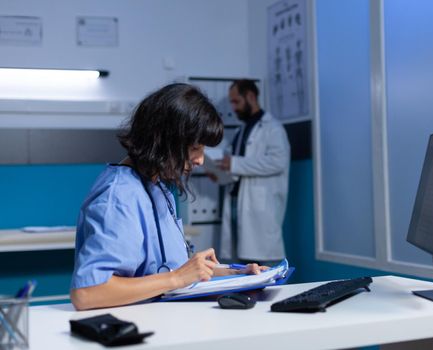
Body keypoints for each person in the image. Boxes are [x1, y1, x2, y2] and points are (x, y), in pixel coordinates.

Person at [70, 83, 264, 311]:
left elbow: (165, 269)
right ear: (163, 140)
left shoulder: (157, 186)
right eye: (195, 148)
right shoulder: (119, 196)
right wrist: (178, 278)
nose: (200, 160)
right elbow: (87, 293)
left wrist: (237, 273)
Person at [216, 79, 290, 267]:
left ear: (250, 96)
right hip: (237, 202)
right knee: (241, 265)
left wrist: (234, 164)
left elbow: (278, 162)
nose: (233, 107)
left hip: (260, 208)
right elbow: (239, 166)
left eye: (236, 101)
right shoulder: (242, 130)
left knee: (265, 267)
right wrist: (221, 172)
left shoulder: (272, 128)